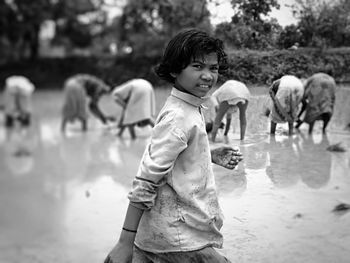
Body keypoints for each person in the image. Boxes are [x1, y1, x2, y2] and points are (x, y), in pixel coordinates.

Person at [104, 28, 243, 263]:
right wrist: (125, 242)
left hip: (173, 232)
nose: (208, 76)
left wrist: (208, 153)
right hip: (178, 237)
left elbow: (176, 152)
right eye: (197, 66)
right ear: (174, 69)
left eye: (213, 68)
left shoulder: (189, 107)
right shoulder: (178, 117)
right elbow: (147, 179)